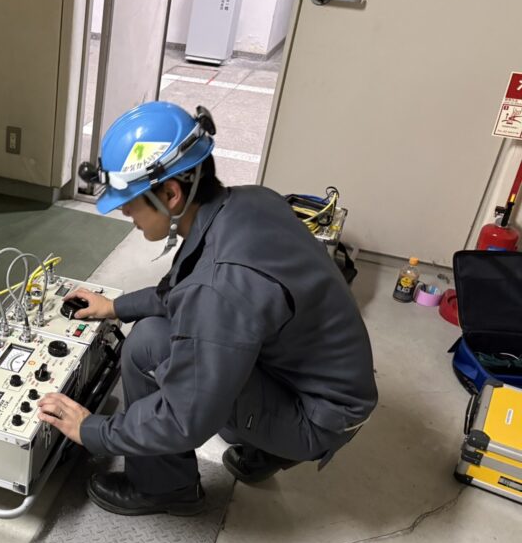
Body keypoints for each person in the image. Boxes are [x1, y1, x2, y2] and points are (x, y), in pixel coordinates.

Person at [37, 101, 378, 516]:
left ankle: (165, 488)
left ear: (171, 193)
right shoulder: (250, 201)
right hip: (324, 384)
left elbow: (185, 418)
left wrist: (91, 429)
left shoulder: (219, 287)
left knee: (146, 344)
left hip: (320, 416)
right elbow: (183, 291)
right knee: (167, 333)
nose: (124, 211)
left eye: (129, 200)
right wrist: (115, 307)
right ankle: (266, 448)